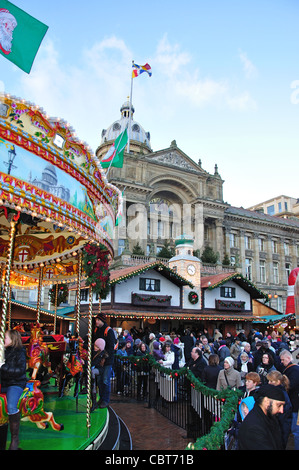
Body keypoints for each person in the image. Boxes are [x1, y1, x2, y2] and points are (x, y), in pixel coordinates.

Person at [0, 329, 27, 450]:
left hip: (15, 383)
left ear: (12, 340)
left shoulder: (20, 352)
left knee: (11, 406)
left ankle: (15, 438)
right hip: (3, 382)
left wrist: (3, 367)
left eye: (5, 338)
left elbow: (20, 371)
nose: (2, 340)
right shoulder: (2, 351)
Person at [238, 384, 285, 450]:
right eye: (279, 405)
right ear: (266, 402)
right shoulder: (254, 427)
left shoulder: (268, 417)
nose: (281, 410)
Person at [92, 313, 116, 408]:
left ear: (102, 321)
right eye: (96, 320)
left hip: (107, 360)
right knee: (100, 379)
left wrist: (104, 357)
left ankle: (105, 400)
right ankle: (101, 398)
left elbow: (111, 347)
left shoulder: (108, 331)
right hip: (99, 359)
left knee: (105, 380)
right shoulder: (96, 330)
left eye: (98, 320)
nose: (96, 322)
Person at [267, 370, 292, 449]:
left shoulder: (280, 394)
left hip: (280, 426)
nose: (269, 383)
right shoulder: (279, 392)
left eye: (271, 381)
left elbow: (285, 411)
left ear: (278, 382)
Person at [279, 349, 299, 450]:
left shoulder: (293, 369)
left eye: (283, 360)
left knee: (296, 431)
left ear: (288, 357)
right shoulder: (292, 369)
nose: (281, 362)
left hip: (295, 405)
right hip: (293, 404)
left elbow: (291, 385)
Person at [90, 338, 108, 411]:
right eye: (95, 346)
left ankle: (92, 383)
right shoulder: (94, 353)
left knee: (92, 373)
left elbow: (94, 363)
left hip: (99, 370)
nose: (95, 347)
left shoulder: (101, 354)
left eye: (97, 347)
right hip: (96, 369)